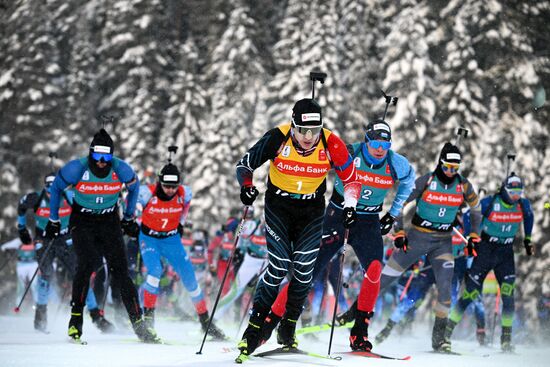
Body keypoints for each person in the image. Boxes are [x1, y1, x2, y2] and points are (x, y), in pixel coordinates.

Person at [256, 119, 415, 352]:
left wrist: (392, 213)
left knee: (373, 271)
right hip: (337, 214)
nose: (380, 149)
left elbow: (409, 181)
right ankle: (270, 324)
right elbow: (317, 165)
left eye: (385, 144)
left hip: (368, 221)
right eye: (375, 144)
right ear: (367, 141)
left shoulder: (395, 163)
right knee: (306, 273)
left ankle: (359, 332)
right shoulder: (350, 151)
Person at [234, 97, 360, 359]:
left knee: (304, 270)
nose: (308, 136)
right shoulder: (277, 137)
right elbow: (245, 164)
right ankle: (253, 330)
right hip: (279, 206)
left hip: (312, 210)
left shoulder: (330, 142)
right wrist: (246, 186)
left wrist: (350, 205)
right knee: (279, 265)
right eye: (302, 130)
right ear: (293, 127)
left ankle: (288, 326)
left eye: (314, 131)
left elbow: (351, 180)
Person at [44, 128, 158, 343]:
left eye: (107, 156)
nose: (102, 161)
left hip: (108, 221)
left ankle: (138, 323)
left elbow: (134, 188)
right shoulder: (77, 168)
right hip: (82, 221)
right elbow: (57, 188)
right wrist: (53, 219)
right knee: (86, 264)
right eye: (97, 156)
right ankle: (76, 319)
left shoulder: (120, 168)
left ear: (112, 155)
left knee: (121, 271)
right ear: (90, 153)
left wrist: (129, 217)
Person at [445, 173, 534, 352]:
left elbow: (529, 217)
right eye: (512, 192)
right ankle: (446, 332)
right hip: (485, 249)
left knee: (508, 296)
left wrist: (527, 239)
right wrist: (472, 237)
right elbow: (470, 216)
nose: (516, 196)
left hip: (505, 253)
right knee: (470, 294)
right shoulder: (490, 202)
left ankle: (506, 340)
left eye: (519, 192)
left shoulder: (523, 205)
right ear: (504, 190)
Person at [137, 160, 226, 339]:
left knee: (190, 279)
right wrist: (132, 222)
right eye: (166, 186)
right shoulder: (147, 192)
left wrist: (181, 224)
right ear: (160, 182)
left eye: (173, 186)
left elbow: (184, 209)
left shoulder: (185, 193)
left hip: (171, 240)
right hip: (150, 239)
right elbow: (133, 206)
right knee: (155, 272)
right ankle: (148, 321)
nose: (170, 190)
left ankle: (205, 322)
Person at [17, 172, 113, 333]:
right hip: (44, 239)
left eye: (55, 189)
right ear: (45, 188)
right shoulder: (35, 198)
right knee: (45, 274)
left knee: (80, 274)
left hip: (65, 239)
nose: (52, 194)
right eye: (48, 190)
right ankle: (40, 316)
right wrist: (21, 229)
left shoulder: (70, 195)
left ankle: (96, 316)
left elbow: (92, 203)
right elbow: (21, 208)